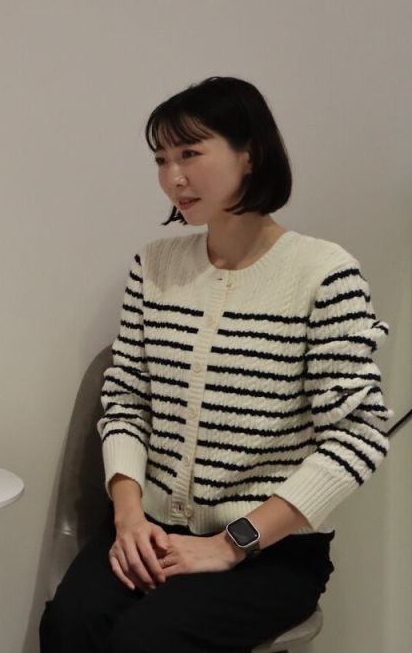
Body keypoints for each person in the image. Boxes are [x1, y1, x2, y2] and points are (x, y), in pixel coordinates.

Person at [40, 77, 392, 652]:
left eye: (190, 153)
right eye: (161, 159)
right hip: (151, 528)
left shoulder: (325, 274)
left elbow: (358, 437)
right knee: (69, 624)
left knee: (146, 641)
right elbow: (126, 401)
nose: (173, 177)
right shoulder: (154, 266)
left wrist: (232, 543)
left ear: (249, 154)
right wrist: (129, 519)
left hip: (271, 552)